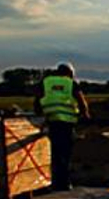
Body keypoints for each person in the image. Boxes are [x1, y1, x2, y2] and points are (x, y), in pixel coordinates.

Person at [34, 62, 90, 191]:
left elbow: (37, 100)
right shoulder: (71, 83)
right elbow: (82, 102)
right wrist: (85, 115)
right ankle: (63, 183)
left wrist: (39, 117)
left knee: (53, 153)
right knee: (65, 154)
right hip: (66, 123)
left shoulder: (46, 82)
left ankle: (53, 182)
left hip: (50, 122)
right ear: (70, 73)